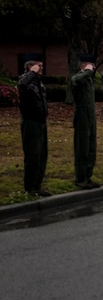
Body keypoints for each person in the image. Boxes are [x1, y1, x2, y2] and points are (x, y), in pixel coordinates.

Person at [18, 54, 50, 197]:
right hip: (30, 123)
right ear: (31, 66)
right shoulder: (26, 80)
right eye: (39, 65)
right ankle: (30, 187)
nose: (41, 68)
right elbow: (22, 85)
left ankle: (37, 185)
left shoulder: (38, 82)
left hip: (41, 122)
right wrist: (32, 72)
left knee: (42, 155)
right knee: (32, 155)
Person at [71, 53, 100, 189]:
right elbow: (76, 80)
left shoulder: (88, 80)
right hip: (82, 115)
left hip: (90, 115)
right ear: (84, 65)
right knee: (82, 147)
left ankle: (88, 176)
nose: (93, 68)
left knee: (91, 147)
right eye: (91, 65)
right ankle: (80, 178)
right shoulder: (78, 78)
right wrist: (87, 71)